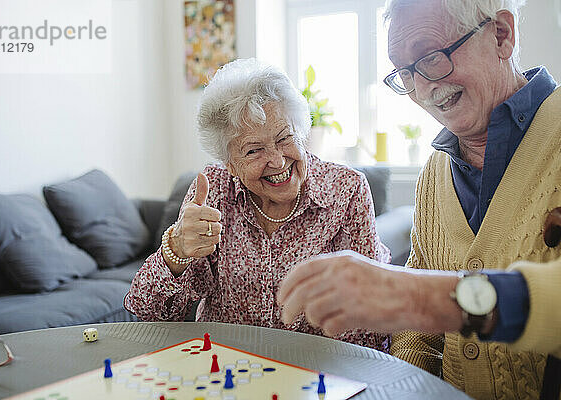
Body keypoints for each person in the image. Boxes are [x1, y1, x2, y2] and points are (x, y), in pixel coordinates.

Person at [278, 0, 561, 399]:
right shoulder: (434, 174)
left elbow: (420, 296)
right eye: (405, 73)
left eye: (431, 57)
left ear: (501, 35)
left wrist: (423, 296)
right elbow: (418, 333)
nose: (423, 87)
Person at [124, 58, 391, 352]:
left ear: (301, 133)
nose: (277, 161)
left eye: (285, 139)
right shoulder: (213, 191)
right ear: (230, 165)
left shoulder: (346, 190)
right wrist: (177, 250)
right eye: (254, 150)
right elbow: (149, 312)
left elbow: (369, 322)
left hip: (315, 372)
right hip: (225, 369)